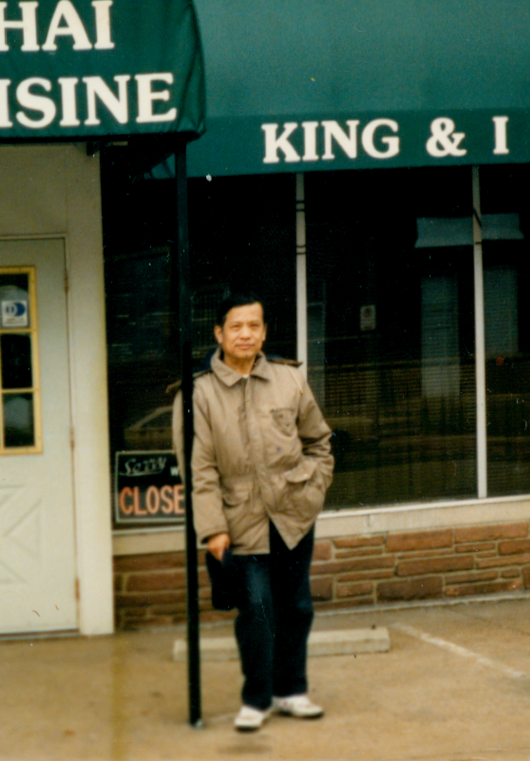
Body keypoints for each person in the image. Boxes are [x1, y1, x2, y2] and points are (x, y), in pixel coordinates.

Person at [173, 290, 334, 733]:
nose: (246, 334)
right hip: (239, 524)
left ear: (264, 332)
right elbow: (199, 470)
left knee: (297, 607)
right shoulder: (198, 394)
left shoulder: (289, 380)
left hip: (293, 517)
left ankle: (291, 691)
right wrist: (212, 530)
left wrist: (313, 489)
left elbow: (320, 441)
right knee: (258, 611)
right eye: (237, 327)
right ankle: (257, 697)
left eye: (254, 326)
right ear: (219, 334)